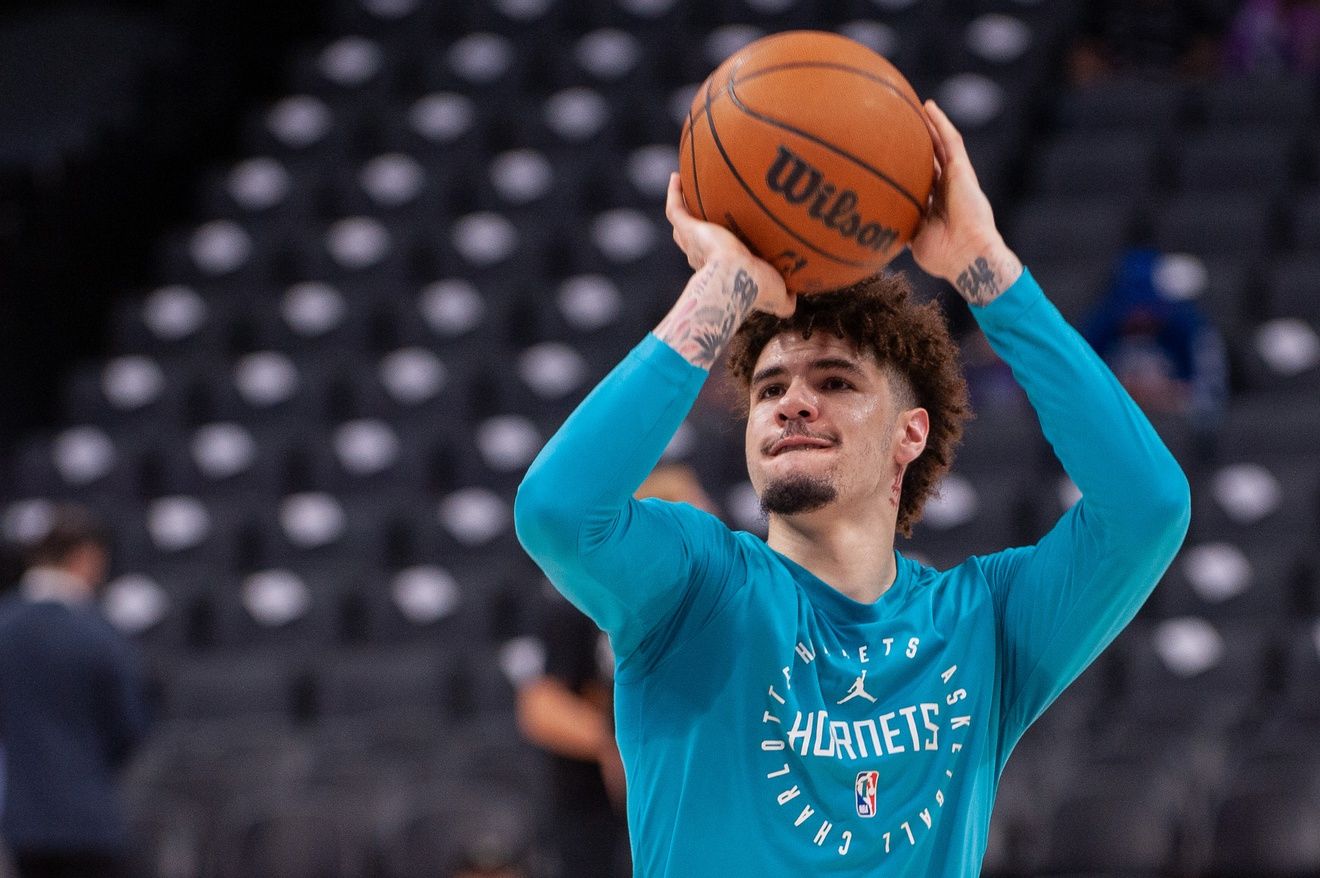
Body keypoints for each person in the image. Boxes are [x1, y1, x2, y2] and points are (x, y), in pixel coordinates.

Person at [514, 99, 1191, 876]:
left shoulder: (984, 623)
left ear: (911, 432)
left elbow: (1148, 508)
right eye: (769, 391)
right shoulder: (695, 585)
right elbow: (557, 510)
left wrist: (985, 266)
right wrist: (721, 292)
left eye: (835, 381)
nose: (793, 401)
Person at [517, 464, 715, 878]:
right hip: (595, 811)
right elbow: (539, 705)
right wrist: (613, 744)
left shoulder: (721, 609)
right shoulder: (583, 602)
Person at [0, 505, 150, 878]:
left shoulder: (3, 627)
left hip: (21, 823)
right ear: (85, 557)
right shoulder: (98, 633)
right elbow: (129, 727)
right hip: (91, 820)